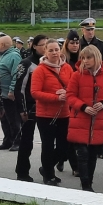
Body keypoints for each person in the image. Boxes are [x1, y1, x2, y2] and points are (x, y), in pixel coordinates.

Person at [66, 45, 103, 191]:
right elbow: (70, 96)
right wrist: (83, 107)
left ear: (97, 57)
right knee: (82, 154)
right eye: (83, 58)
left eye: (89, 57)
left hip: (97, 119)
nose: (85, 61)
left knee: (93, 155)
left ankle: (89, 182)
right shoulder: (77, 75)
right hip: (80, 118)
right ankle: (85, 185)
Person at [29, 39, 75, 184]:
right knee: (48, 146)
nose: (55, 53)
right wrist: (56, 97)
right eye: (51, 50)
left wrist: (67, 93)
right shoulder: (40, 70)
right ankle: (49, 175)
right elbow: (35, 92)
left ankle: (46, 167)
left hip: (64, 113)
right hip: (45, 115)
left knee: (64, 146)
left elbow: (73, 87)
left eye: (57, 49)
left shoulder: (67, 68)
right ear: (45, 52)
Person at [13, 35, 47, 182]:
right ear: (34, 46)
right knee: (27, 141)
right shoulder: (26, 64)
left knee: (48, 142)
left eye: (48, 44)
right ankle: (22, 171)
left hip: (47, 109)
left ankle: (48, 170)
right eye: (42, 45)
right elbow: (19, 89)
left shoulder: (49, 63)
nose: (45, 48)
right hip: (30, 108)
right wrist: (22, 110)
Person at [0, 35, 23, 151]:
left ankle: (17, 141)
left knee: (13, 119)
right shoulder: (4, 56)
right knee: (5, 119)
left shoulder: (14, 56)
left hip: (9, 94)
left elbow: (16, 75)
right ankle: (8, 141)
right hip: (3, 94)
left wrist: (12, 90)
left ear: (2, 45)